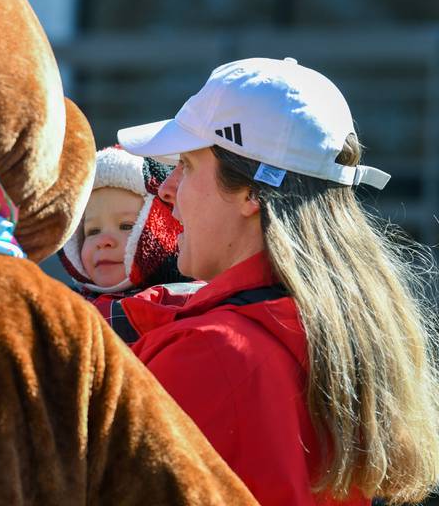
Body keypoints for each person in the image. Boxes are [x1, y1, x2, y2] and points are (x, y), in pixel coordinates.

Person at [117, 57, 439, 505]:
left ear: (252, 193)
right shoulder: (335, 334)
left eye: (187, 166)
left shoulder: (213, 353)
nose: (166, 188)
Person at [58, 146, 201, 343]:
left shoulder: (188, 303)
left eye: (126, 226)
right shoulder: (60, 302)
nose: (103, 241)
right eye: (92, 231)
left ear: (166, 228)